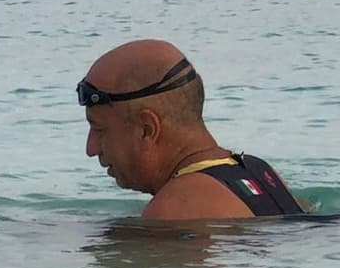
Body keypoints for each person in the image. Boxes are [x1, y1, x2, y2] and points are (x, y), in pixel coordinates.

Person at [78, 39, 304, 219]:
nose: (90, 149)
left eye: (99, 130)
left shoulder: (176, 208)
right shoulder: (260, 171)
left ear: (147, 129)